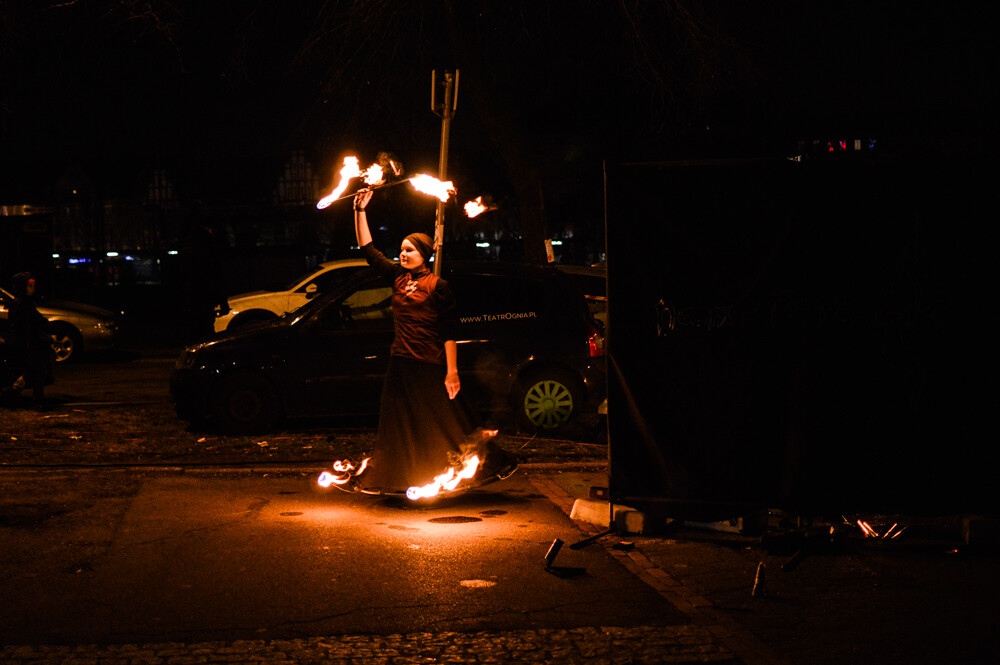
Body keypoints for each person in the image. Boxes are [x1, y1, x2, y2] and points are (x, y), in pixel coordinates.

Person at [350, 189, 516, 494]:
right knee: (397, 425)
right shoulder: (397, 278)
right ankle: (393, 479)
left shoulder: (438, 286)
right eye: (401, 249)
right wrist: (360, 212)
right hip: (400, 363)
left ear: (424, 255)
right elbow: (369, 250)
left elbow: (449, 332)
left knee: (441, 423)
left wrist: (451, 371)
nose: (403, 254)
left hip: (429, 364)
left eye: (409, 250)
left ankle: (481, 466)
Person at [8, 272, 54, 407]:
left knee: (34, 369)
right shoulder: (22, 304)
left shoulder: (26, 303)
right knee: (39, 370)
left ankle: (15, 389)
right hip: (26, 343)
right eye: (29, 286)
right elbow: (23, 324)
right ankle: (36, 398)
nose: (32, 288)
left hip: (30, 342)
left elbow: (36, 319)